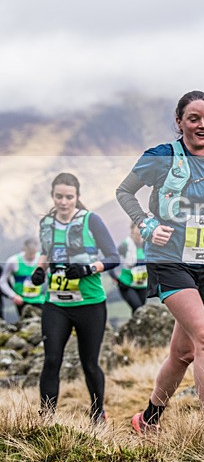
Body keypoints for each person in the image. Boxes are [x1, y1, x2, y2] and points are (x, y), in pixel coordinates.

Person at [116, 90, 204, 433]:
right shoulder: (161, 157)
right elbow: (124, 192)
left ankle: (147, 420)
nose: (202, 125)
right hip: (169, 261)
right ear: (179, 122)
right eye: (193, 119)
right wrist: (147, 225)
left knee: (183, 353)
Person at [30, 173, 120, 423]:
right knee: (51, 360)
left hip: (89, 304)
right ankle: (46, 419)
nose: (63, 202)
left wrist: (87, 269)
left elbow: (113, 257)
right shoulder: (47, 223)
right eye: (59, 196)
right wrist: (40, 270)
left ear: (77, 197)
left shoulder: (91, 220)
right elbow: (46, 251)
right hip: (56, 304)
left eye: (69, 197)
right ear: (52, 196)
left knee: (89, 363)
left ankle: (97, 414)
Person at [0, 238, 47, 317]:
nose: (32, 255)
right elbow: (2, 281)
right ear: (24, 249)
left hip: (39, 298)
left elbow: (50, 276)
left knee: (41, 320)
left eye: (33, 252)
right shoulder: (14, 261)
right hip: (22, 299)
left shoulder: (42, 260)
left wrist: (47, 293)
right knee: (26, 320)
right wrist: (13, 295)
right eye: (29, 252)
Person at [113, 221, 148, 313]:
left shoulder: (147, 245)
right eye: (138, 228)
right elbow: (111, 258)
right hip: (127, 284)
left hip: (142, 284)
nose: (140, 231)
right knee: (138, 309)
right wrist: (115, 278)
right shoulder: (125, 245)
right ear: (132, 230)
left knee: (140, 310)